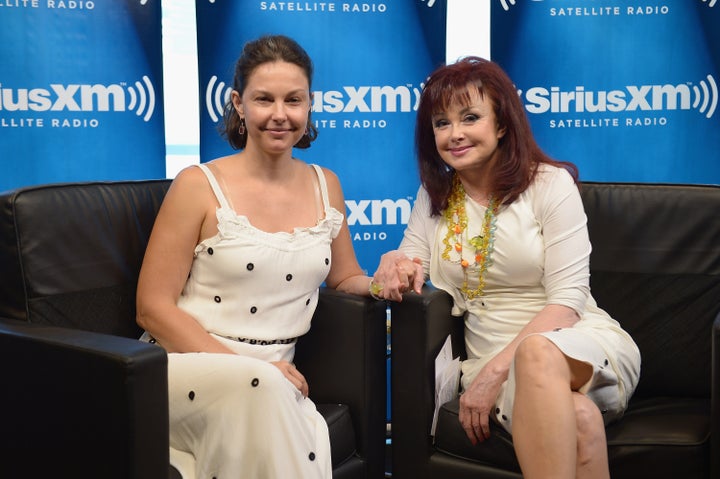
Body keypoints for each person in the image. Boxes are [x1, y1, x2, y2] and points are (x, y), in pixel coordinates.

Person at [371, 56, 641, 479]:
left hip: (577, 342)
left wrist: (497, 372)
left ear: (501, 125)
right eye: (441, 123)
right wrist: (393, 261)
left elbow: (569, 301)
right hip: (488, 356)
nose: (454, 133)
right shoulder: (435, 195)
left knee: (537, 353)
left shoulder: (550, 184)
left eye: (470, 117)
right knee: (581, 421)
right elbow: (412, 261)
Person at [136, 34, 373, 479]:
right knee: (261, 386)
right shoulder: (197, 184)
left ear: (309, 105)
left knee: (266, 390)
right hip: (189, 365)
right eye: (264, 99)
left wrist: (385, 282)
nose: (280, 115)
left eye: (293, 100)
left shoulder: (328, 185)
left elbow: (345, 278)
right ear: (238, 104)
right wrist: (247, 368)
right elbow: (152, 308)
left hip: (276, 376)